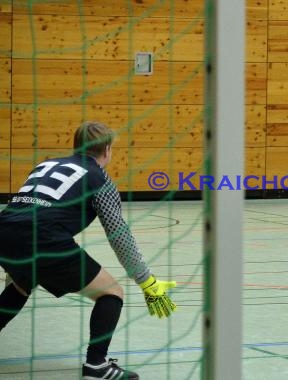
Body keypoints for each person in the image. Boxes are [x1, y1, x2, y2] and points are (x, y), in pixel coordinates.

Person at [0, 121, 177, 380]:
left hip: (4, 231)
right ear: (107, 149)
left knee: (20, 285)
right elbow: (119, 236)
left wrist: (17, 269)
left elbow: (26, 211)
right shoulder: (100, 179)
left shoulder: (45, 165)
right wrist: (146, 282)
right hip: (45, 239)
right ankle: (97, 366)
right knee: (111, 292)